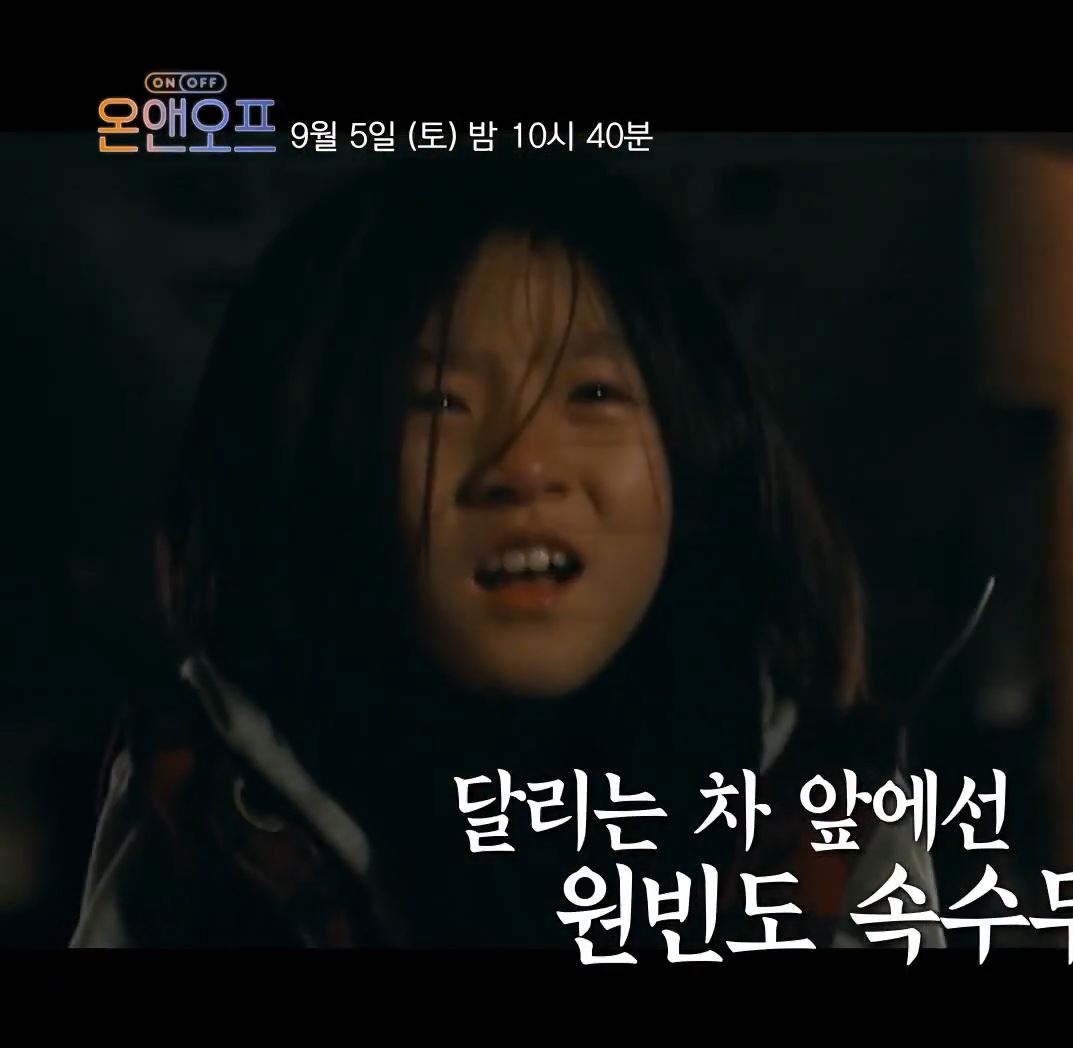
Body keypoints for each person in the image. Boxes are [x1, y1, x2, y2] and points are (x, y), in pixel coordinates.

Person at [71, 157, 943, 953]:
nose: (524, 466)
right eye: (438, 402)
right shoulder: (207, 804)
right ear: (316, 459)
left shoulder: (824, 812)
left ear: (694, 442)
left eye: (593, 392)